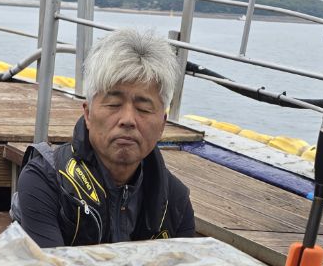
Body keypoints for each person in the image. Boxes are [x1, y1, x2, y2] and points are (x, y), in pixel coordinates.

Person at [11, 29, 195, 247]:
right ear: (88, 114)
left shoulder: (175, 201)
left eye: (144, 109)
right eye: (114, 104)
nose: (128, 120)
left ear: (163, 124)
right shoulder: (45, 180)